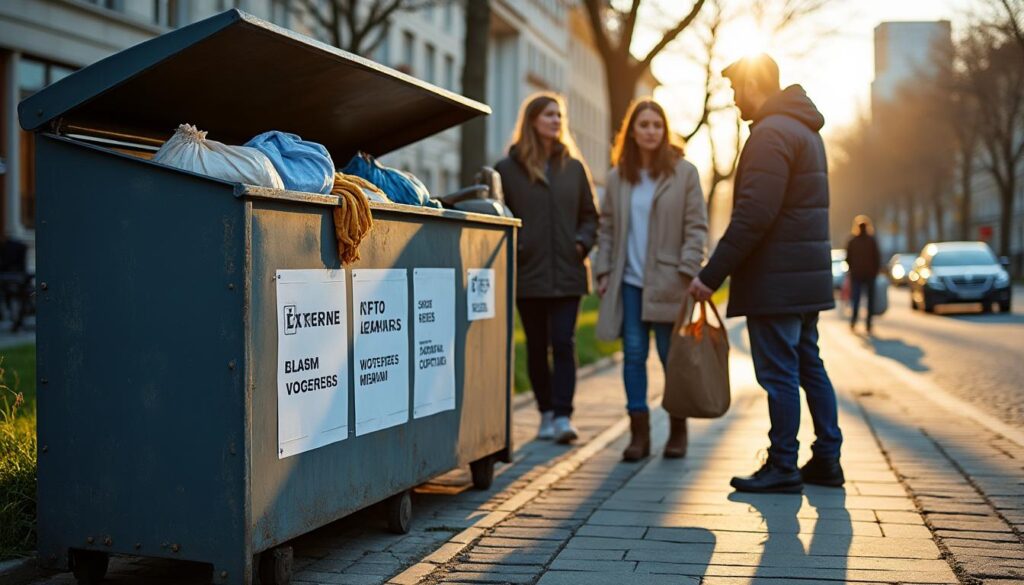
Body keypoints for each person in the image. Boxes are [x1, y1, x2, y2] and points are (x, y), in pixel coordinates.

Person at [688, 54, 844, 492]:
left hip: (777, 281)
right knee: (809, 365)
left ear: (755, 84)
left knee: (779, 374)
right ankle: (827, 458)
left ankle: (783, 465)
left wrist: (710, 275)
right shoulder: (803, 130)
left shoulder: (770, 134)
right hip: (803, 278)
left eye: (738, 89)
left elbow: (754, 215)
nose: (736, 100)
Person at [594, 98, 708, 461]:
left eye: (657, 125)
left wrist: (688, 268)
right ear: (632, 130)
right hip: (629, 281)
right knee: (633, 355)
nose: (650, 131)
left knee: (670, 357)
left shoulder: (684, 172)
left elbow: (696, 226)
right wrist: (603, 270)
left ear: (665, 130)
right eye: (643, 124)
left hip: (670, 280)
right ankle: (638, 435)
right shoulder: (618, 176)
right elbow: (608, 227)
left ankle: (678, 429)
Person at [495, 93, 599, 444]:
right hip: (528, 273)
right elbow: (499, 217)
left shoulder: (574, 166)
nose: (556, 120)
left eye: (560, 115)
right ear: (533, 121)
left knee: (563, 342)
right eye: (549, 115)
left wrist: (582, 243)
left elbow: (590, 215)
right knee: (537, 346)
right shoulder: (507, 169)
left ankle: (563, 415)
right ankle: (544, 413)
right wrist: (518, 248)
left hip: (569, 272)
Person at [846, 215, 881, 334]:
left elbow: (848, 258)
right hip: (870, 275)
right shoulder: (872, 241)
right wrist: (875, 271)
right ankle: (868, 323)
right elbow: (877, 258)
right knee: (870, 300)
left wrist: (852, 269)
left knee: (856, 299)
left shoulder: (852, 241)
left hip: (856, 275)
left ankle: (853, 321)